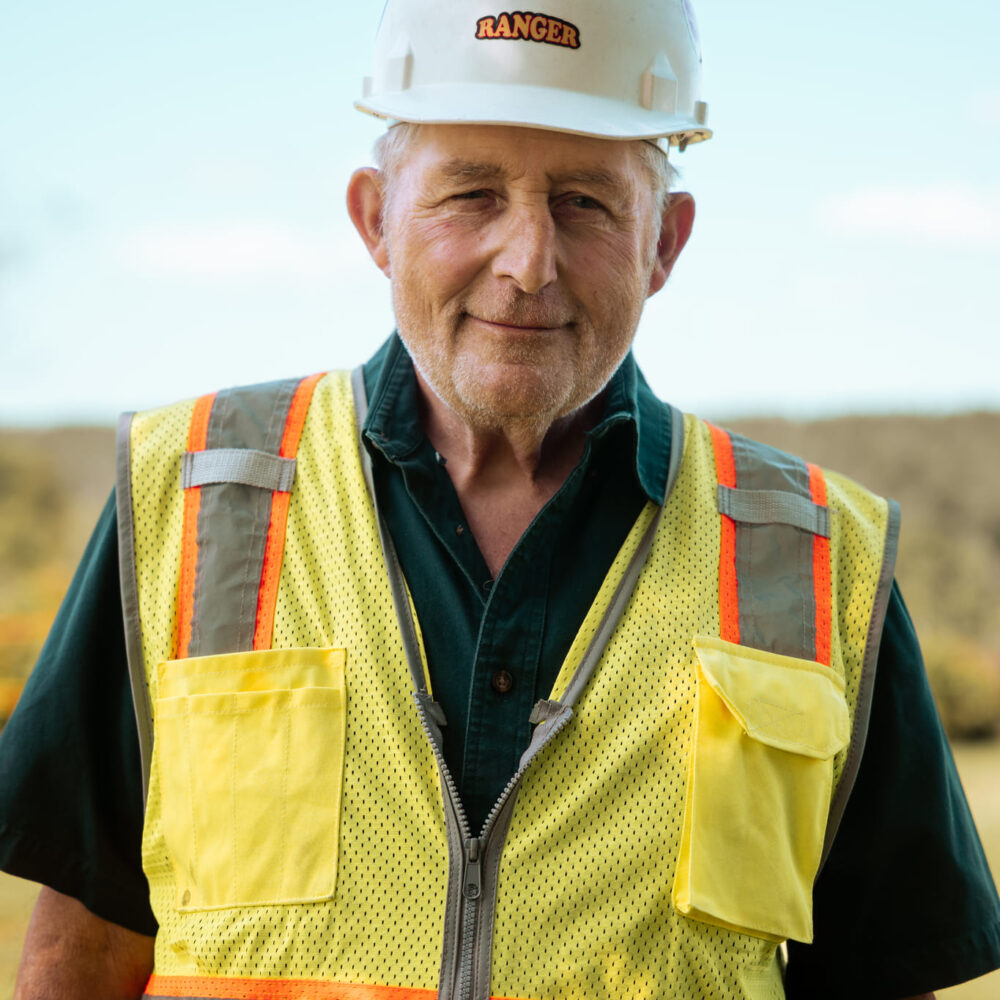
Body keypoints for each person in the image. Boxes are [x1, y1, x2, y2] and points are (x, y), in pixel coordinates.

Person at [2, 2, 999, 998]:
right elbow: (82, 947)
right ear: (374, 221)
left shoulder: (819, 558)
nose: (527, 263)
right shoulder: (192, 495)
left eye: (585, 204)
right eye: (471, 195)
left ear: (665, 243)